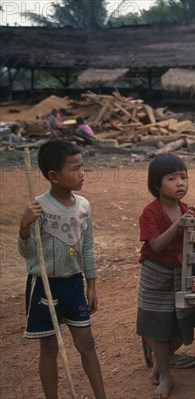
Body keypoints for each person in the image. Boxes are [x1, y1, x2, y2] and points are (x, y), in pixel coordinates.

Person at [18, 140, 106, 398]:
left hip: (74, 283)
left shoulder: (84, 207)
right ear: (53, 176)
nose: (82, 174)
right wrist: (25, 226)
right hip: (44, 284)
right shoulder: (38, 207)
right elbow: (26, 252)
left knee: (87, 343)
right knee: (49, 348)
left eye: (82, 167)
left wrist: (91, 284)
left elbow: (87, 247)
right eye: (74, 169)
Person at [137, 153, 195, 399]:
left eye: (183, 177)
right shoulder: (151, 213)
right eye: (172, 178)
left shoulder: (186, 209)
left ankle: (157, 364)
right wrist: (180, 224)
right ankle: (165, 377)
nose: (180, 183)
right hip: (157, 277)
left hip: (179, 274)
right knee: (159, 329)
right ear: (156, 184)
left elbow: (193, 240)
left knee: (180, 328)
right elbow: (157, 245)